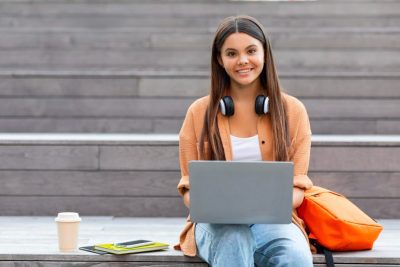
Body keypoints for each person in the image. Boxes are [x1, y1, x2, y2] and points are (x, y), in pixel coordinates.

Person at [174, 15, 314, 267]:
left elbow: (298, 188)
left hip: (272, 223)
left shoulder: (293, 111)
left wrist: (259, 206)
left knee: (295, 255)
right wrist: (214, 206)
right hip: (214, 225)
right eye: (231, 53)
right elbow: (189, 188)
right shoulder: (199, 112)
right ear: (220, 59)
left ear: (265, 53)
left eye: (251, 51)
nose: (243, 61)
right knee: (233, 238)